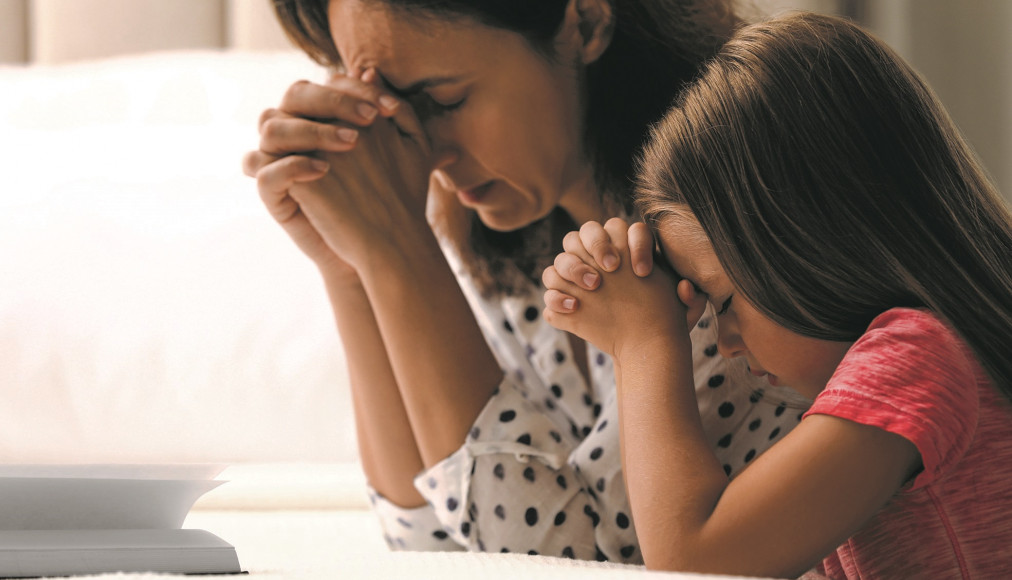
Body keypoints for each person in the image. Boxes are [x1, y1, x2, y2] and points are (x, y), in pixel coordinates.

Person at [241, 0, 809, 560]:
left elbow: (568, 564)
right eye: (395, 118)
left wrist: (397, 251)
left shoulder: (721, 245)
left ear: (584, 22)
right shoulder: (526, 246)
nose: (428, 153)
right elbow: (429, 541)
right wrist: (351, 270)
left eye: (443, 100)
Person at [542, 11, 1012, 578]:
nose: (725, 342)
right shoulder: (925, 367)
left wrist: (643, 343)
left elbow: (696, 562)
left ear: (812, 241)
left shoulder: (920, 356)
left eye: (723, 302)